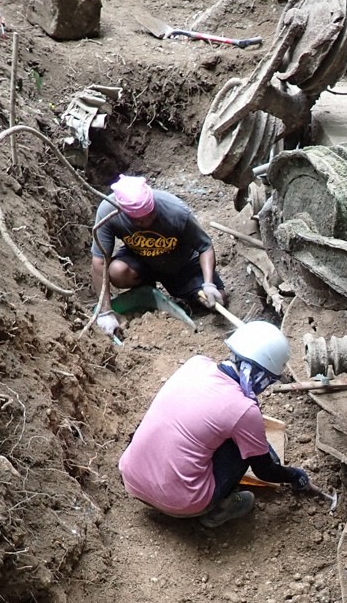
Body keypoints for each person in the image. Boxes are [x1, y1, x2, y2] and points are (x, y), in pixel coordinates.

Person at [117, 321, 310, 527]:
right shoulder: (244, 410)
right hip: (182, 502)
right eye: (269, 380)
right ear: (262, 376)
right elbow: (265, 471)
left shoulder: (196, 363)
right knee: (241, 448)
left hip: (132, 478)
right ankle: (221, 507)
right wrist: (293, 476)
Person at [91, 175, 225, 338]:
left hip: (180, 264)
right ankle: (146, 289)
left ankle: (188, 295)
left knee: (216, 301)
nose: (146, 223)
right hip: (142, 262)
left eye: (150, 216)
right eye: (138, 221)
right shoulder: (109, 212)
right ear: (122, 211)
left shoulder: (176, 211)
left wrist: (209, 284)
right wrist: (105, 312)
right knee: (117, 271)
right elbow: (99, 262)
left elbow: (205, 247)